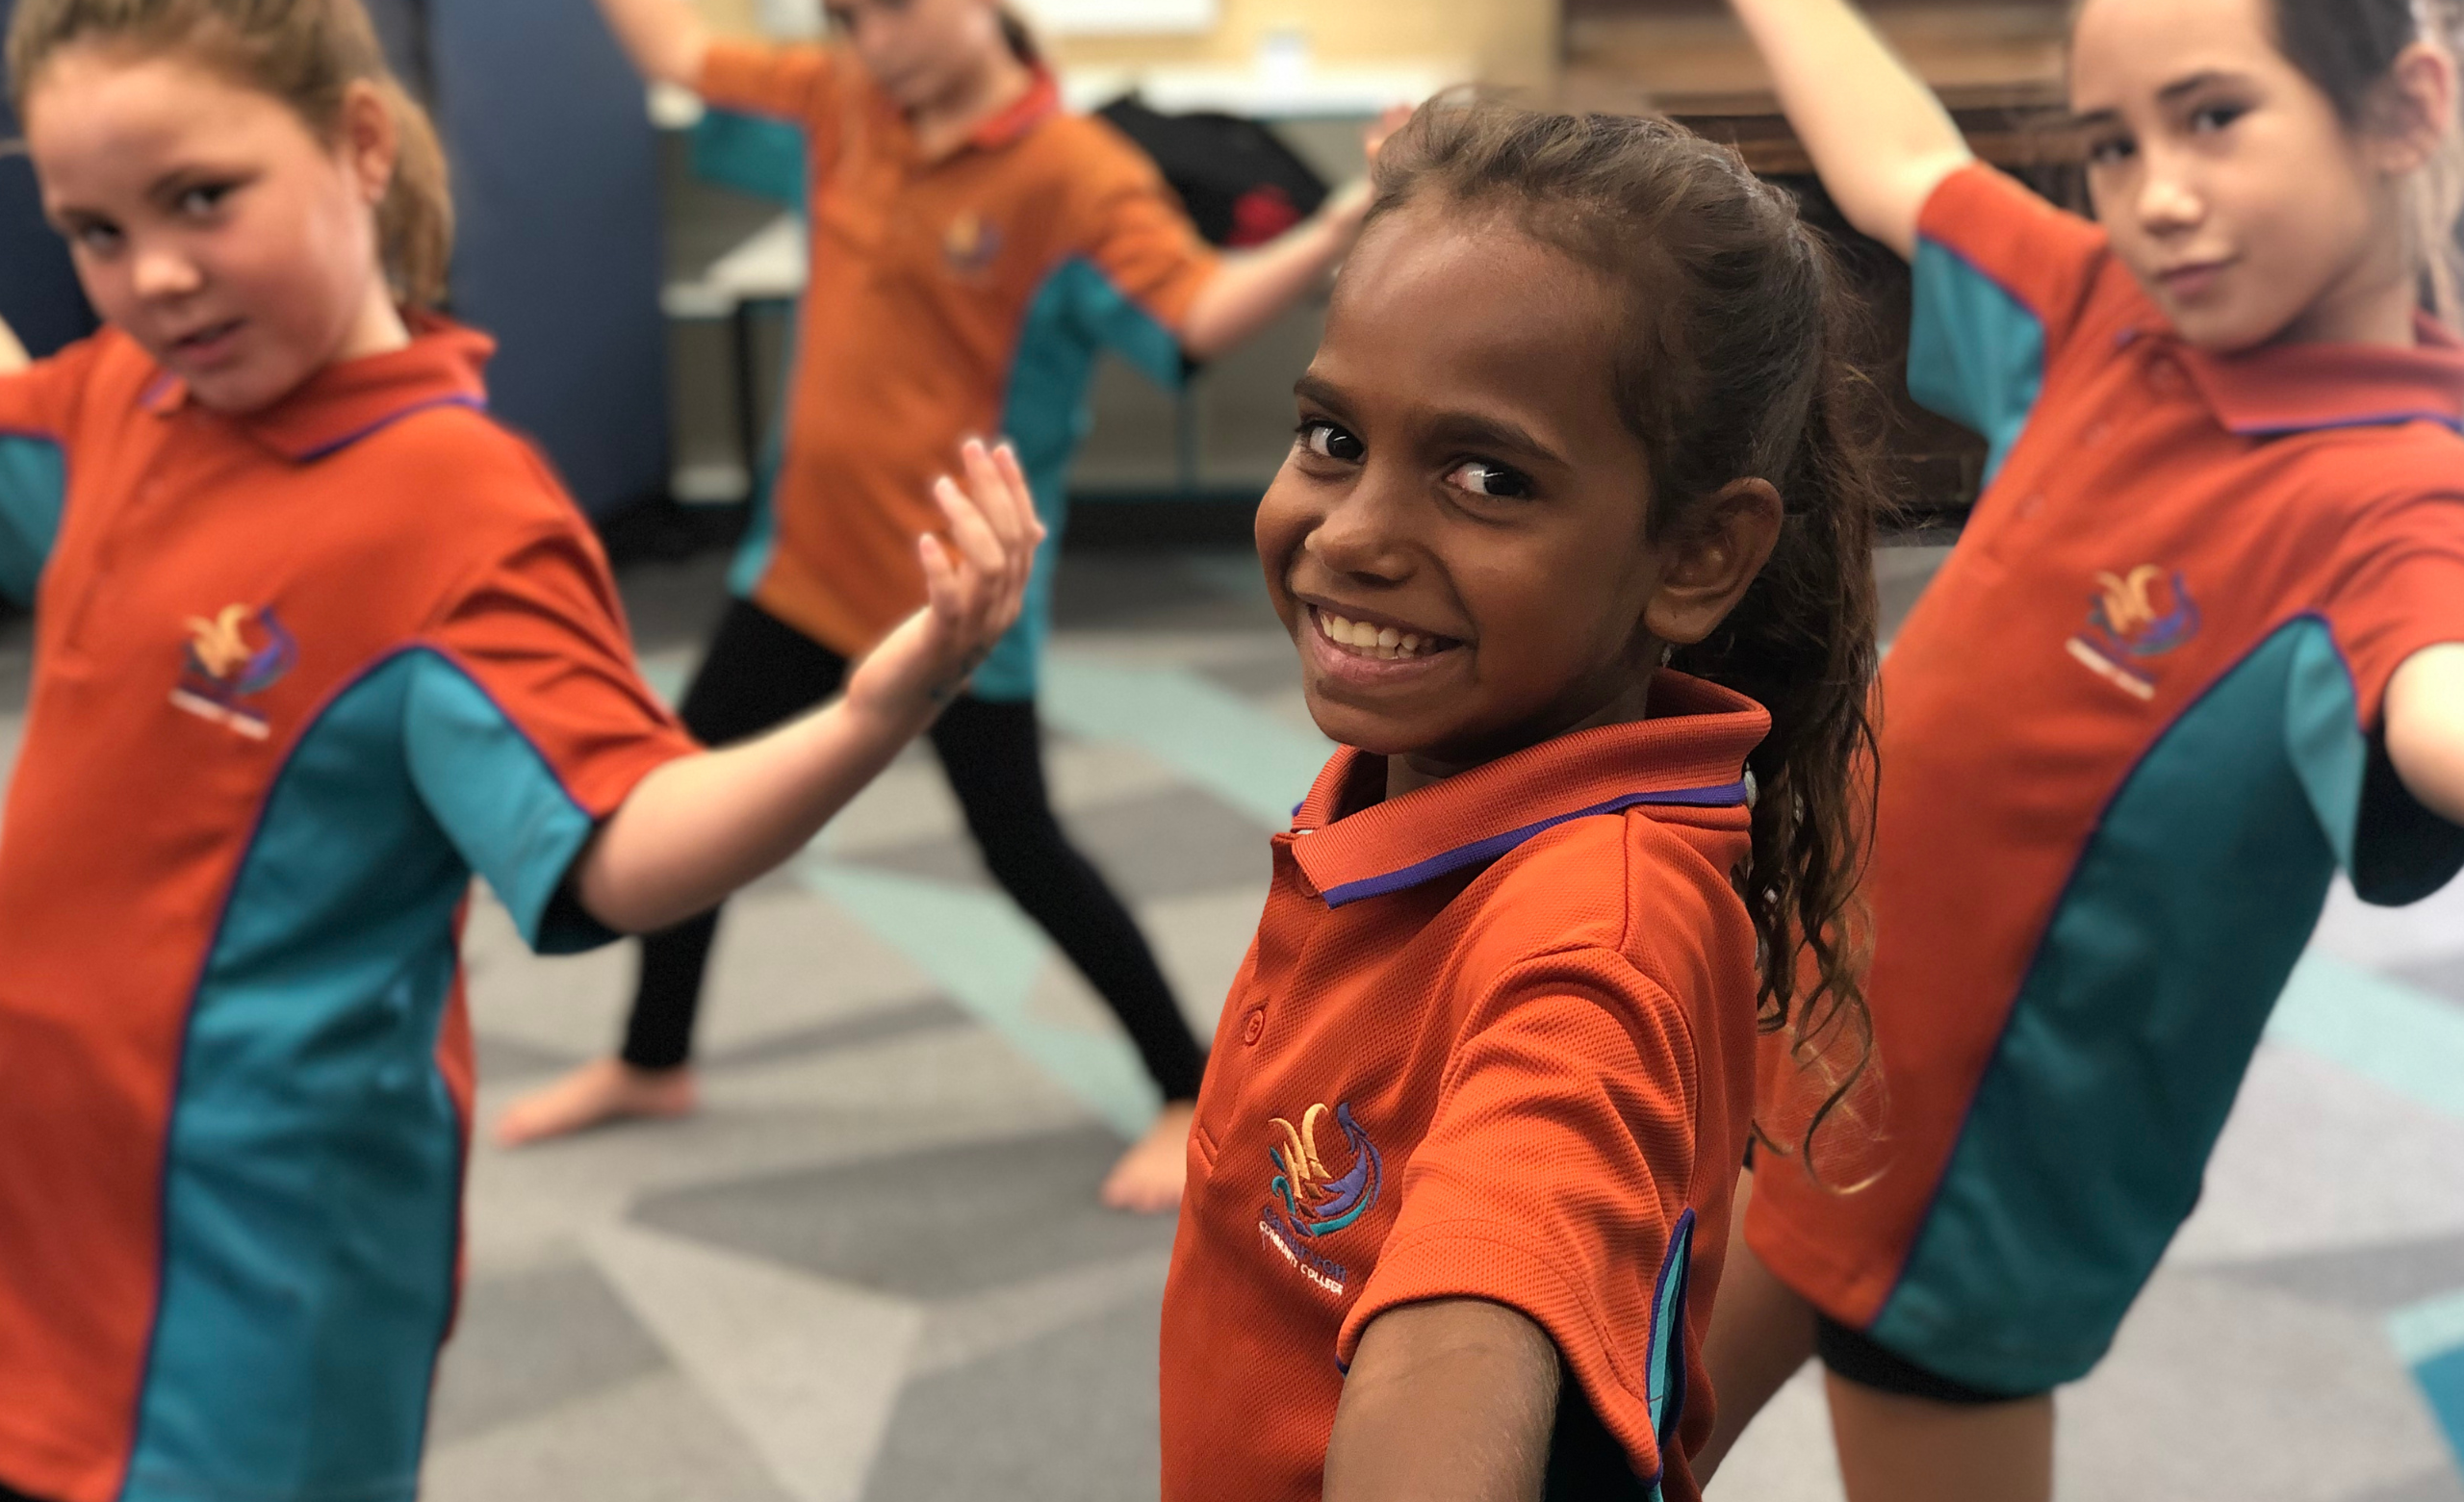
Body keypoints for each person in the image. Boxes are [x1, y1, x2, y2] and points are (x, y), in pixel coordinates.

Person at [0, 0, 1041, 1497]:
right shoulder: (122, 395)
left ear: (359, 144)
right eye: (91, 230)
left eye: (202, 198)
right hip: (50, 1218)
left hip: (252, 1272)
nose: (152, 274)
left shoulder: (452, 506)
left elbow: (627, 845)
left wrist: (882, 710)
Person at [1694, 1, 2464, 1496]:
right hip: (1805, 1052)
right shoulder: (2116, 310)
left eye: (2215, 117)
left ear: (2403, 109)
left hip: (1976, 1181)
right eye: (2113, 143)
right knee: (1594, 1444)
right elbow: (1902, 158)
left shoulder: (2399, 496)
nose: (2156, 190)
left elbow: (2433, 694)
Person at [493, 0, 1407, 1214]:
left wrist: (1348, 218)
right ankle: (653, 1061)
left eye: (897, 11)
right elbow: (672, 51)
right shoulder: (840, 108)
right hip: (798, 568)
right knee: (682, 794)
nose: (874, 40)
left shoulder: (1074, 174)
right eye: (847, 17)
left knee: (1019, 847)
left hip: (952, 600)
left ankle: (1183, 1085)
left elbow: (1198, 312)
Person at [1157, 99, 1886, 1502]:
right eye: (1327, 437)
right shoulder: (1424, 774)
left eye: (1487, 477)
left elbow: (1497, 1257)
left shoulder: (1589, 940)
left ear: (1698, 553)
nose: (1355, 532)